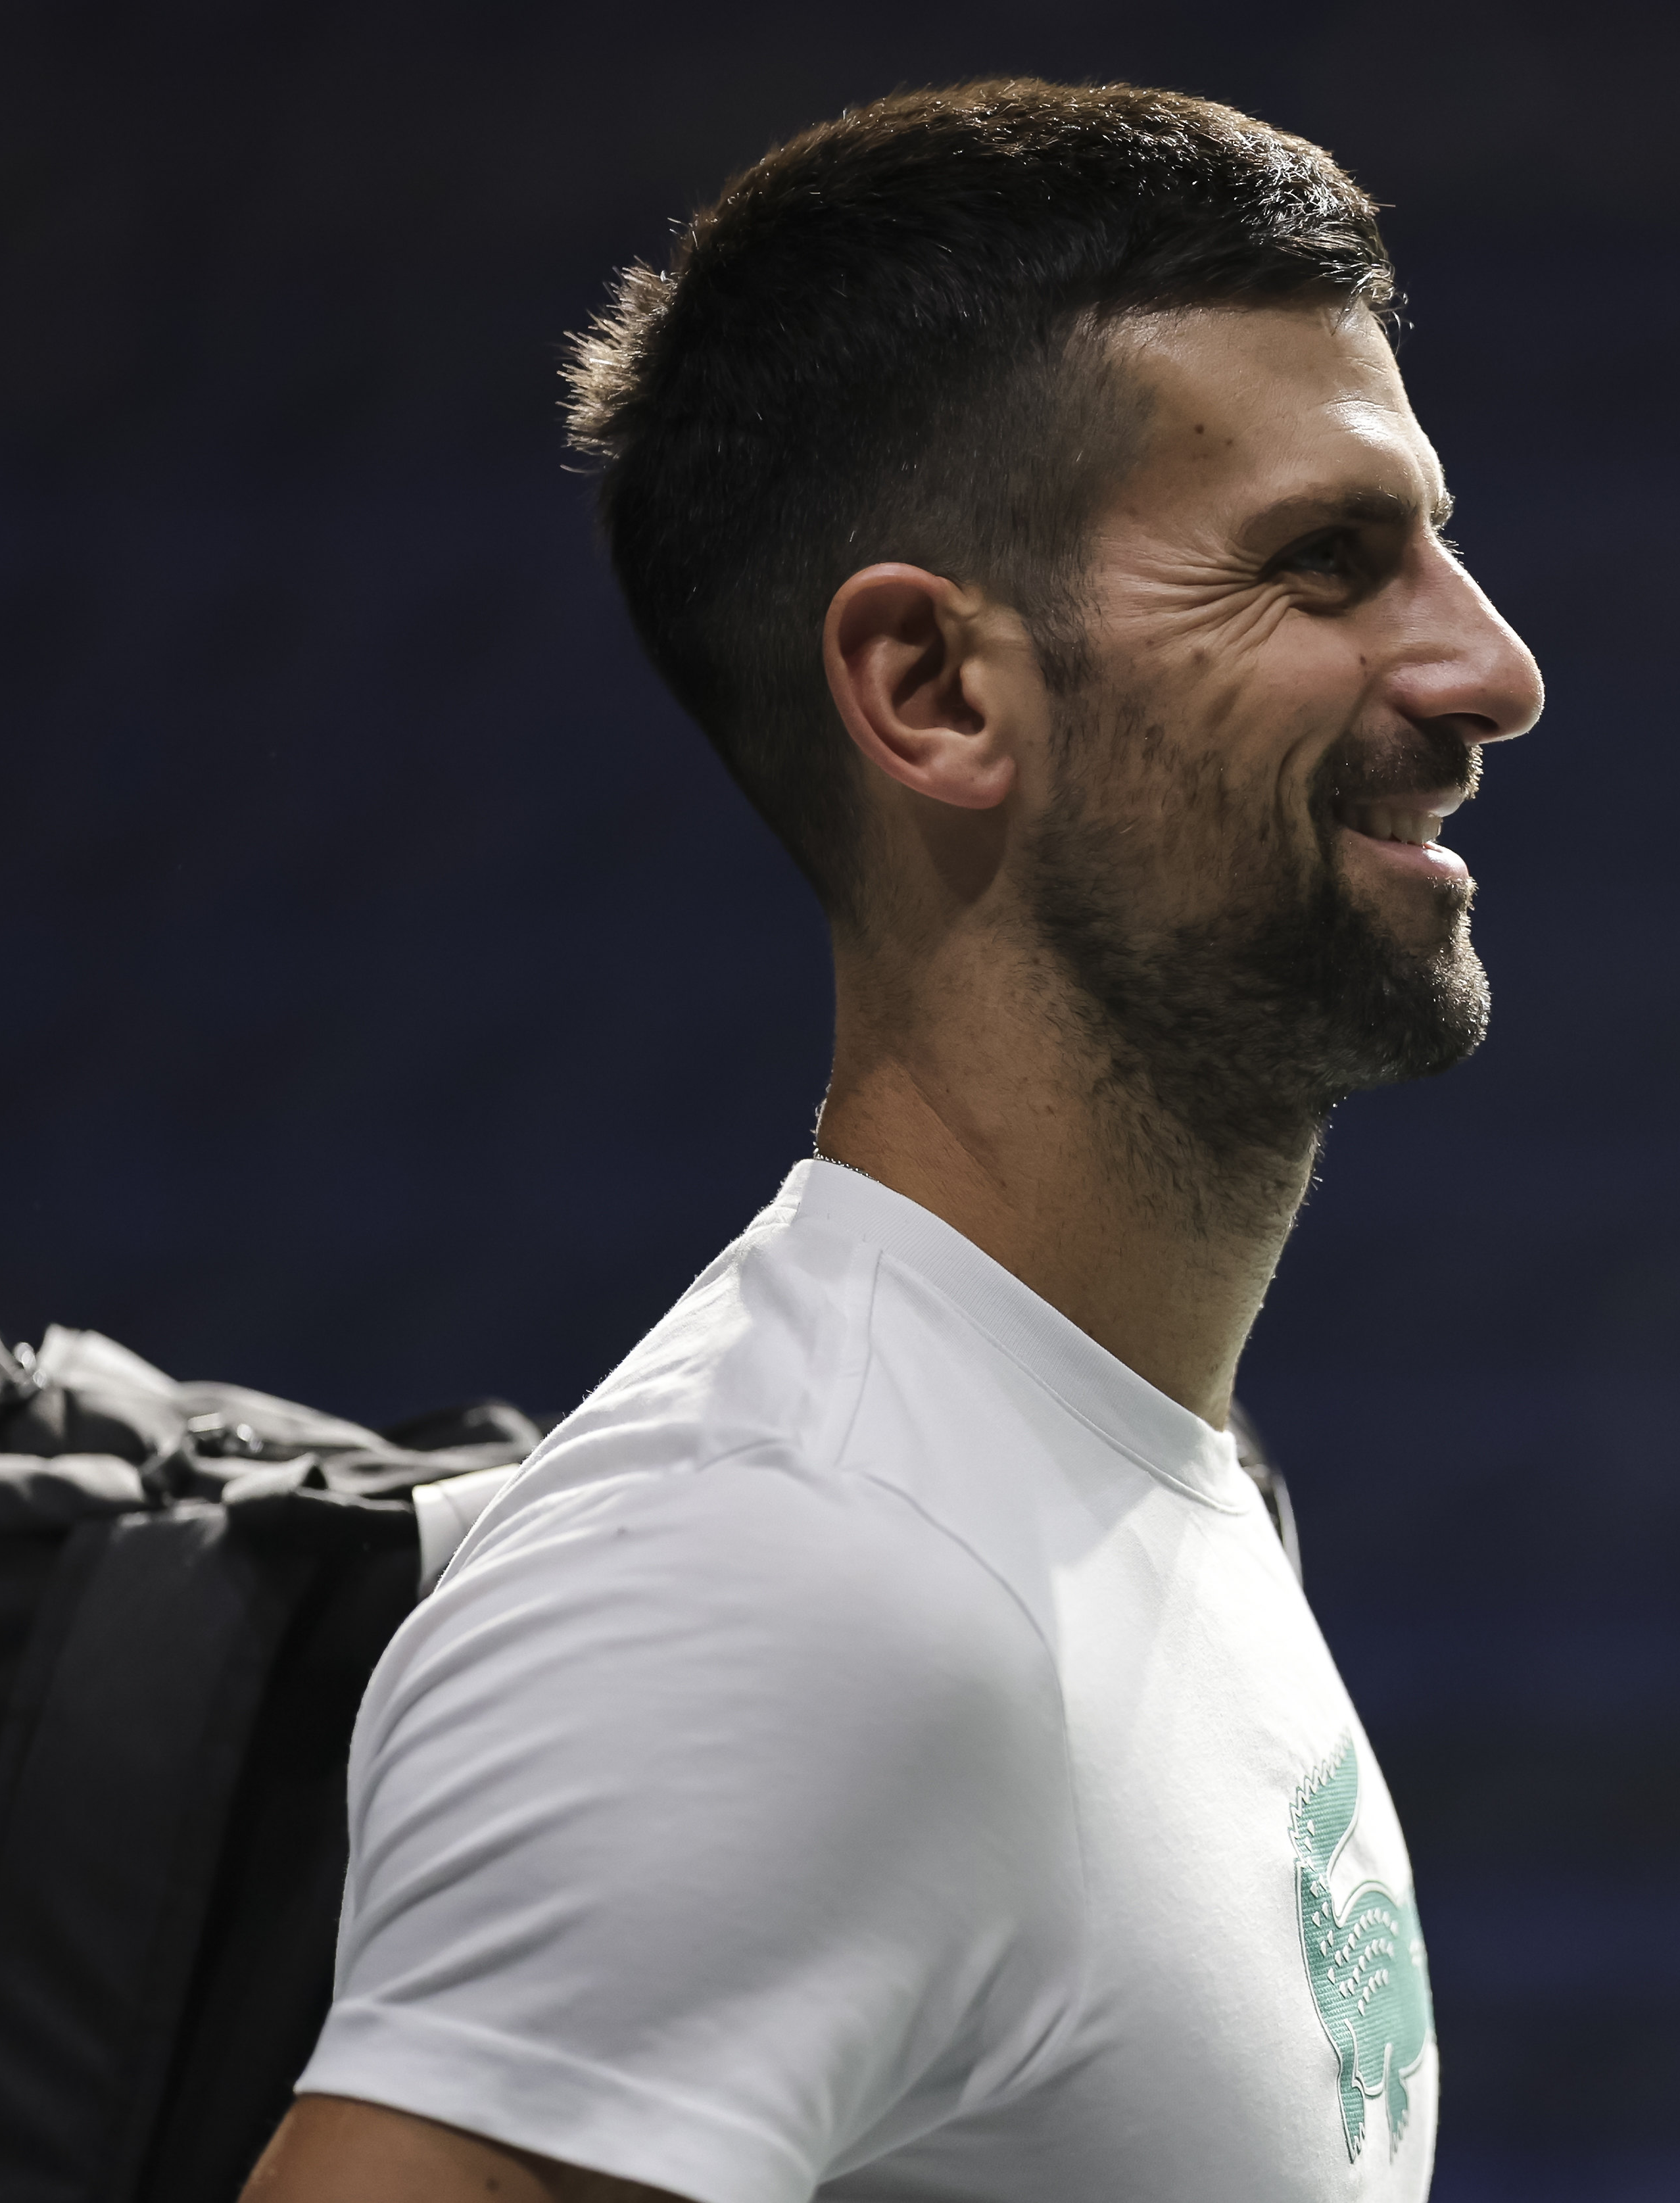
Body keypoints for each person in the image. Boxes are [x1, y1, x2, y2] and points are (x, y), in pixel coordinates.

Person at [244, 76, 1540, 2203]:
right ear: (934, 687)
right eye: (1327, 564)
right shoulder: (789, 1580)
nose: (1491, 670)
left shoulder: (1096, 1488)